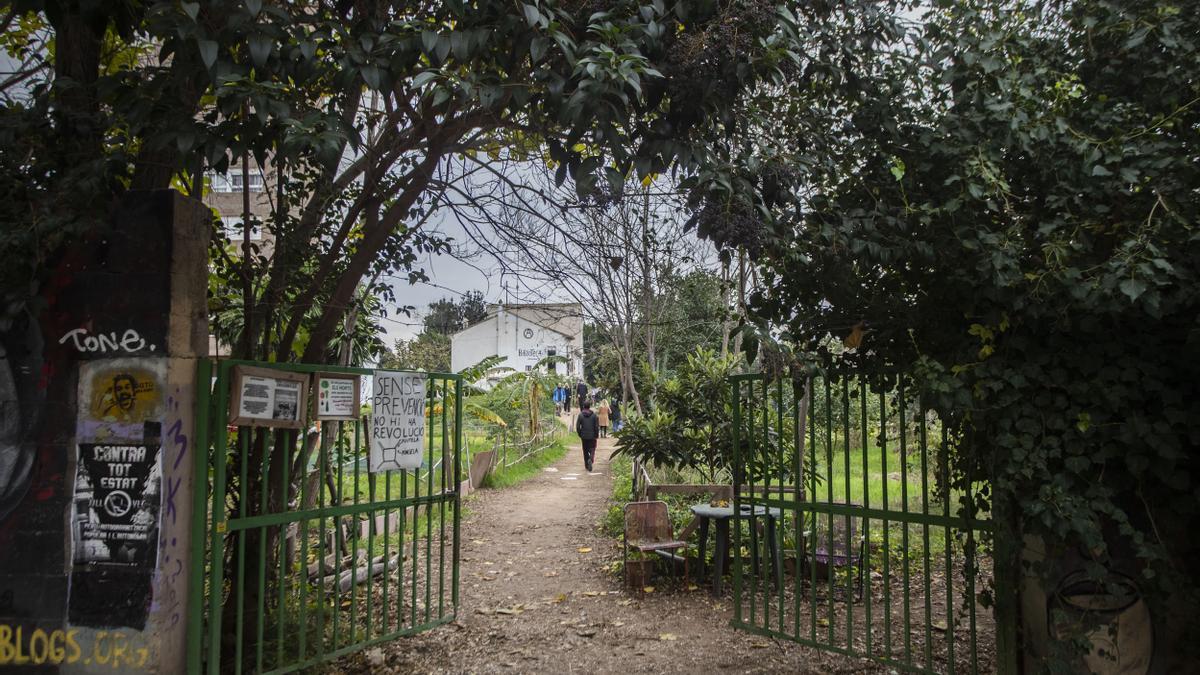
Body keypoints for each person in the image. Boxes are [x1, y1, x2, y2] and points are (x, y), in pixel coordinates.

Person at [574, 399, 600, 472]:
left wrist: (580, 434)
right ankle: (590, 460)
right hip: (592, 436)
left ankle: (586, 464)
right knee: (592, 448)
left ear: (583, 406)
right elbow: (596, 426)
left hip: (584, 436)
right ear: (590, 406)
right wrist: (596, 434)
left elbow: (577, 426)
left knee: (585, 450)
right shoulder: (594, 415)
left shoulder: (580, 415)